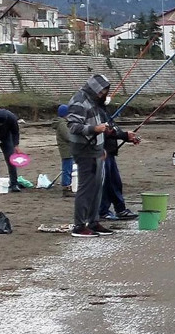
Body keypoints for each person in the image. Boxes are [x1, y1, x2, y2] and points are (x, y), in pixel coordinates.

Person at [67, 74, 115, 238]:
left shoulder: (95, 101)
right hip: (84, 150)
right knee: (86, 188)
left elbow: (99, 123)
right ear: (94, 89)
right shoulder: (79, 100)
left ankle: (93, 221)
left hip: (96, 149)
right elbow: (73, 126)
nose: (103, 95)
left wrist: (104, 138)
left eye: (105, 92)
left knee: (97, 187)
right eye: (102, 92)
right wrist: (94, 129)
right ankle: (79, 225)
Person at [99, 104, 140, 221]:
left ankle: (120, 209)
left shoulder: (104, 112)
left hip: (110, 153)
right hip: (102, 153)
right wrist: (124, 135)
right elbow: (106, 131)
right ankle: (102, 211)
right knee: (105, 183)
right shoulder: (95, 112)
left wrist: (127, 137)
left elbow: (113, 128)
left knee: (115, 182)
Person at [55, 104, 74, 198]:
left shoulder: (62, 123)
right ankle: (66, 188)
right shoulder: (62, 124)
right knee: (67, 169)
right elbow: (68, 136)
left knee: (68, 168)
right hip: (67, 150)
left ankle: (68, 186)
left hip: (67, 149)